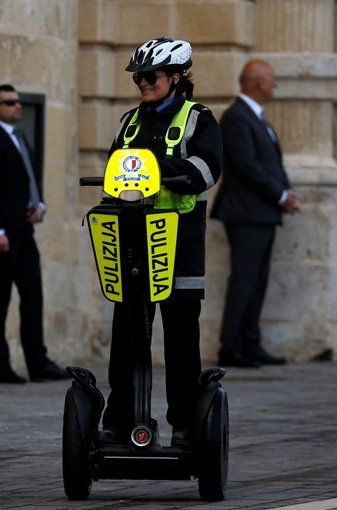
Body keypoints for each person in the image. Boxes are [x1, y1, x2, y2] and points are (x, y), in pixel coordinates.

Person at [98, 37, 222, 446]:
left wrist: (156, 167)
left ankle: (185, 426)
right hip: (134, 245)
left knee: (181, 341)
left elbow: (207, 168)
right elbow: (115, 169)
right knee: (128, 337)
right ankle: (121, 422)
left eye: (150, 76)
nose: (143, 84)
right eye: (138, 78)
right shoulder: (129, 122)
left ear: (175, 76)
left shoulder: (197, 118)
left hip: (180, 245)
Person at [0, 84, 68, 384]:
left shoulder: (19, 136)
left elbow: (27, 176)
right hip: (2, 233)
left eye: (18, 101)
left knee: (33, 296)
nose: (18, 106)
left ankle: (38, 362)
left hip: (24, 229)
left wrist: (38, 204)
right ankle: (0, 367)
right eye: (10, 102)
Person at [210, 60, 299, 369]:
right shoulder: (236, 117)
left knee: (257, 281)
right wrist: (280, 194)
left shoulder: (257, 117)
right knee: (244, 280)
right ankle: (231, 347)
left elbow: (271, 163)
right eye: (272, 80)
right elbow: (248, 166)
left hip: (262, 212)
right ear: (259, 82)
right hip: (246, 212)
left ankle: (250, 342)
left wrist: (286, 192)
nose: (274, 85)